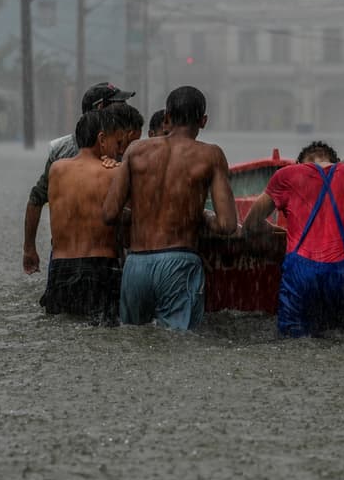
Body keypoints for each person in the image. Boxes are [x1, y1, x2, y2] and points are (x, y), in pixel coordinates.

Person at [102, 86, 238, 330]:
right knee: (178, 349)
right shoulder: (211, 155)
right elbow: (227, 225)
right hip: (179, 263)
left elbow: (110, 213)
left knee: (133, 344)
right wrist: (202, 216)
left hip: (136, 266)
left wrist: (145, 214)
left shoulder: (135, 151)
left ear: (166, 118)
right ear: (203, 121)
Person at [243, 141, 344, 337]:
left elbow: (250, 225)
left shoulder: (286, 176)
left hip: (300, 274)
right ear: (337, 163)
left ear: (298, 164)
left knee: (292, 342)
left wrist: (276, 231)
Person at [39, 107, 140, 323]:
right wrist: (121, 170)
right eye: (118, 143)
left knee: (63, 332)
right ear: (102, 139)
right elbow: (135, 218)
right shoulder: (114, 173)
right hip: (100, 269)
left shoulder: (56, 170)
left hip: (60, 269)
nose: (120, 150)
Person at [22, 82, 136, 275]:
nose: (124, 109)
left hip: (69, 260)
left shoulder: (123, 143)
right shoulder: (65, 151)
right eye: (119, 104)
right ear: (101, 108)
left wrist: (29, 248)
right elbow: (36, 199)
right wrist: (29, 248)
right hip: (102, 261)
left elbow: (36, 200)